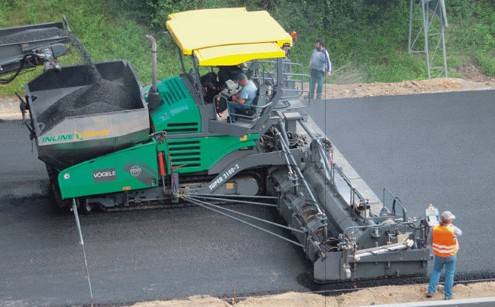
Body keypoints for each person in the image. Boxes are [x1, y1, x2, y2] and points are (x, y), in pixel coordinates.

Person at [426, 210, 462, 300]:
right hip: (451, 255)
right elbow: (460, 233)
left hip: (439, 255)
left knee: (436, 271)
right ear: (449, 221)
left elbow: (429, 241)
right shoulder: (452, 229)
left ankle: (431, 291)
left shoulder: (434, 228)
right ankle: (448, 295)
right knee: (449, 274)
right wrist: (451, 226)